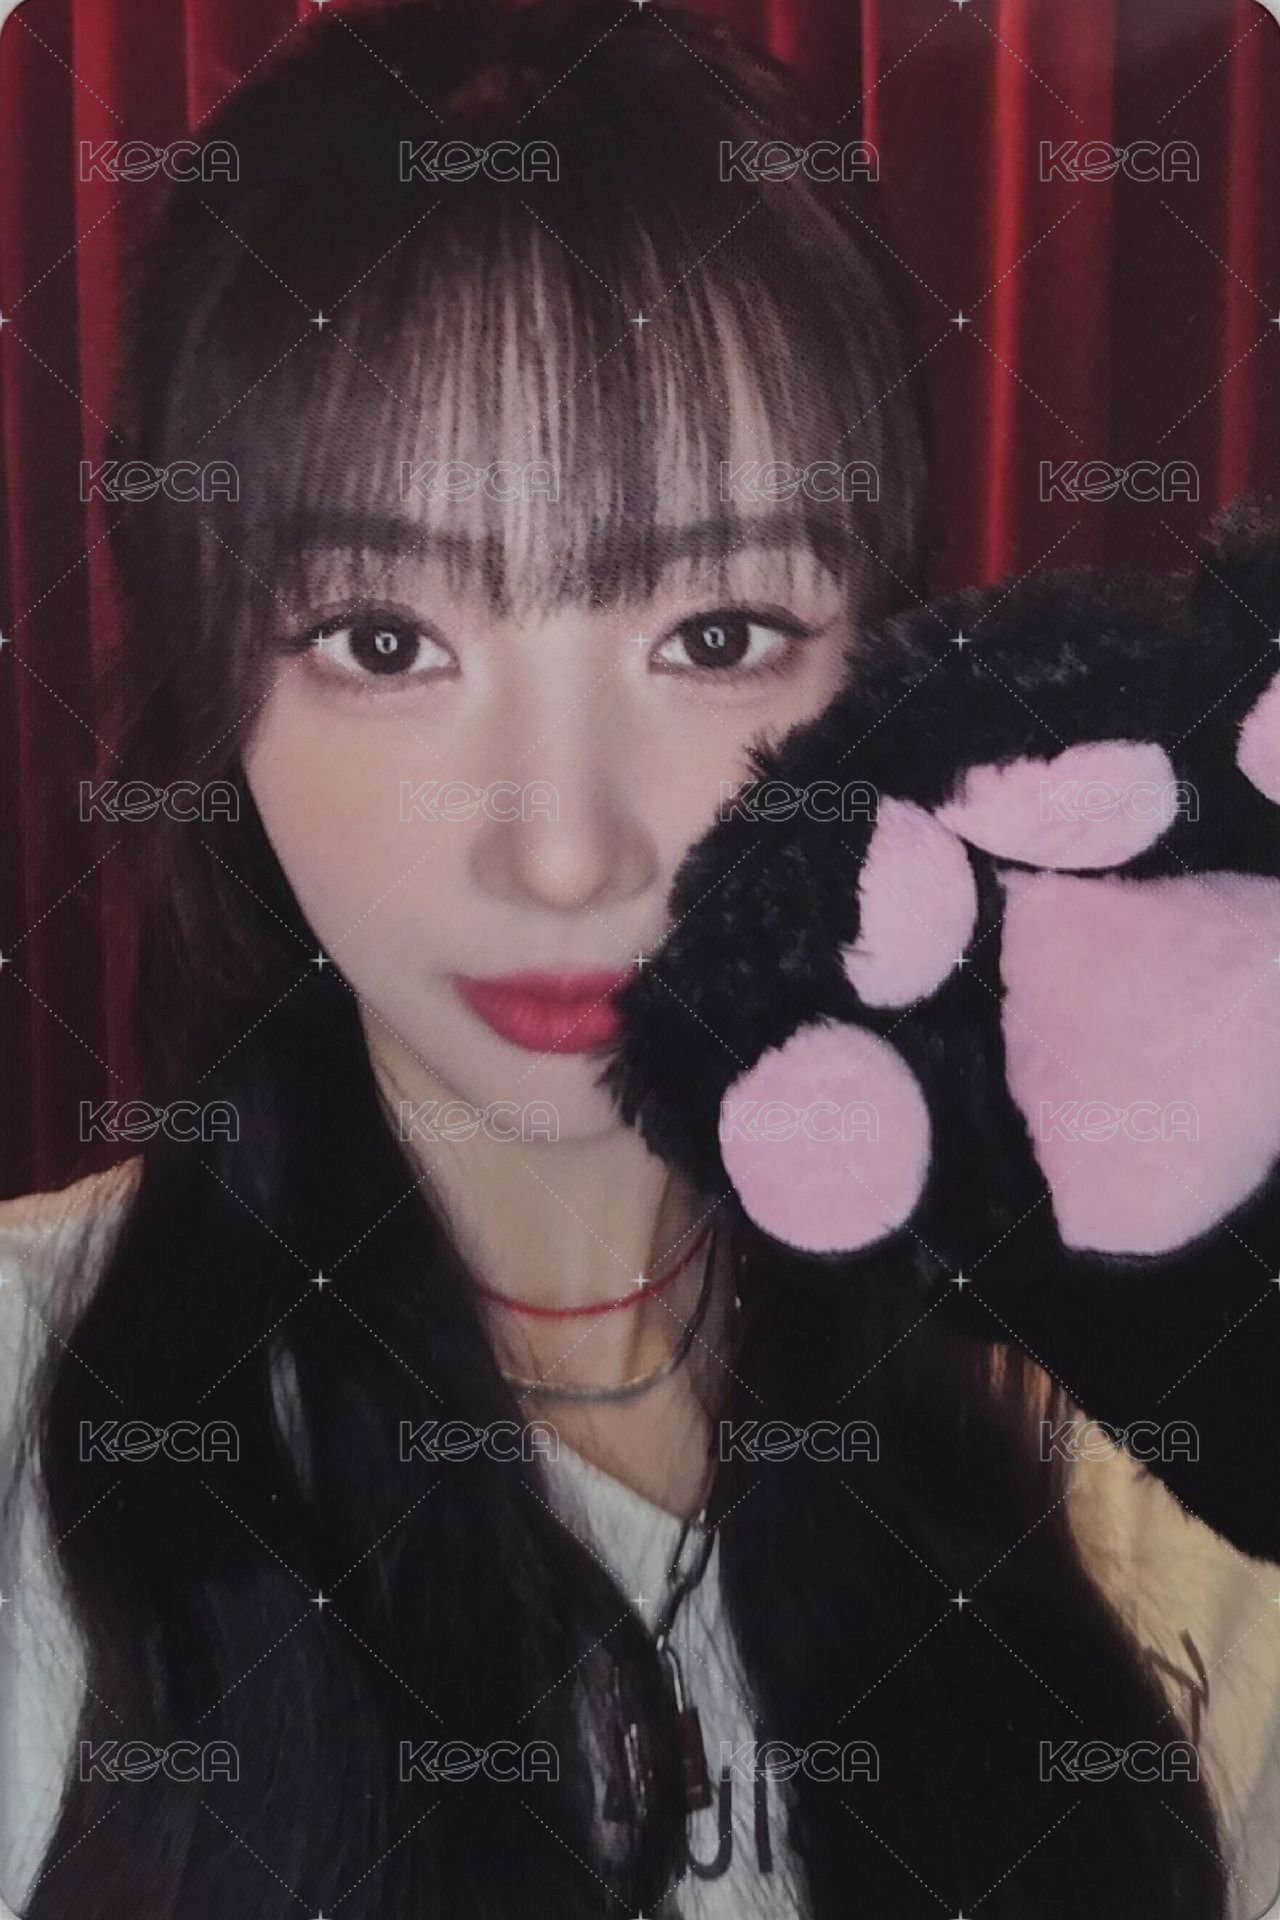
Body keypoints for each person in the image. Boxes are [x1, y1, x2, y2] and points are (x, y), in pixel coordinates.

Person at [2, 3, 1278, 1917]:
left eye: (715, 634)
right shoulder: (31, 1412)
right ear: (214, 685)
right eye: (383, 640)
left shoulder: (1140, 1447)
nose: (562, 851)